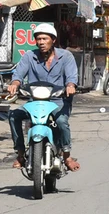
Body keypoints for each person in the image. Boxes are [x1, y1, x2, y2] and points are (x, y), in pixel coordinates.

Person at [7, 23, 80, 172]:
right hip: (35, 101)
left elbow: (71, 76)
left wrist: (70, 85)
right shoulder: (29, 56)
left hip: (58, 100)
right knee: (14, 116)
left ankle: (67, 156)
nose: (41, 42)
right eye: (38, 39)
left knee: (61, 122)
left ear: (53, 40)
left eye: (44, 39)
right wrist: (14, 84)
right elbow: (19, 74)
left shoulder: (66, 56)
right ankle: (20, 154)